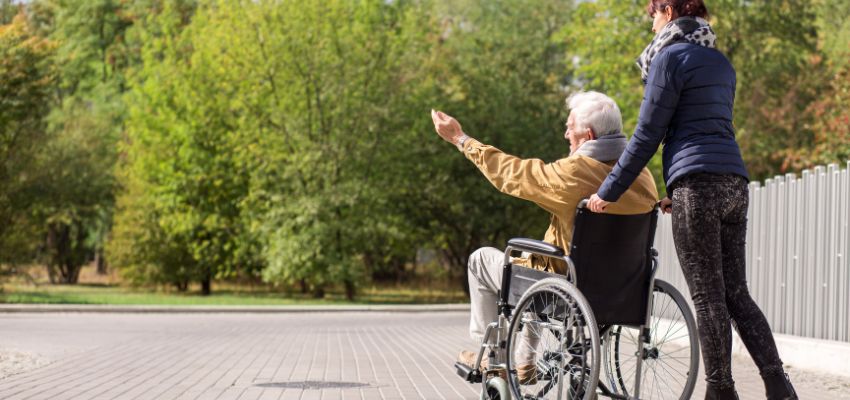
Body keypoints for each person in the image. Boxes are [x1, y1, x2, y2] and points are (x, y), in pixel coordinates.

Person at [586, 1, 798, 399]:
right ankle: (779, 386)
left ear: (667, 10)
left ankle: (720, 391)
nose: (650, 22)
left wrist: (607, 191)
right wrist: (676, 191)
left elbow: (648, 135)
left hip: (698, 188)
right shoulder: (720, 63)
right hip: (733, 183)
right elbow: (705, 130)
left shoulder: (669, 58)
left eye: (652, 12)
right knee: (737, 294)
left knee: (708, 296)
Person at [430, 91, 658, 383]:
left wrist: (461, 139)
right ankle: (524, 362)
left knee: (485, 261)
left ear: (586, 135)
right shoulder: (642, 176)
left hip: (568, 289)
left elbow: (511, 173)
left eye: (569, 126)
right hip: (624, 291)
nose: (565, 133)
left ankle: (494, 357)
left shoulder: (572, 174)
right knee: (542, 264)